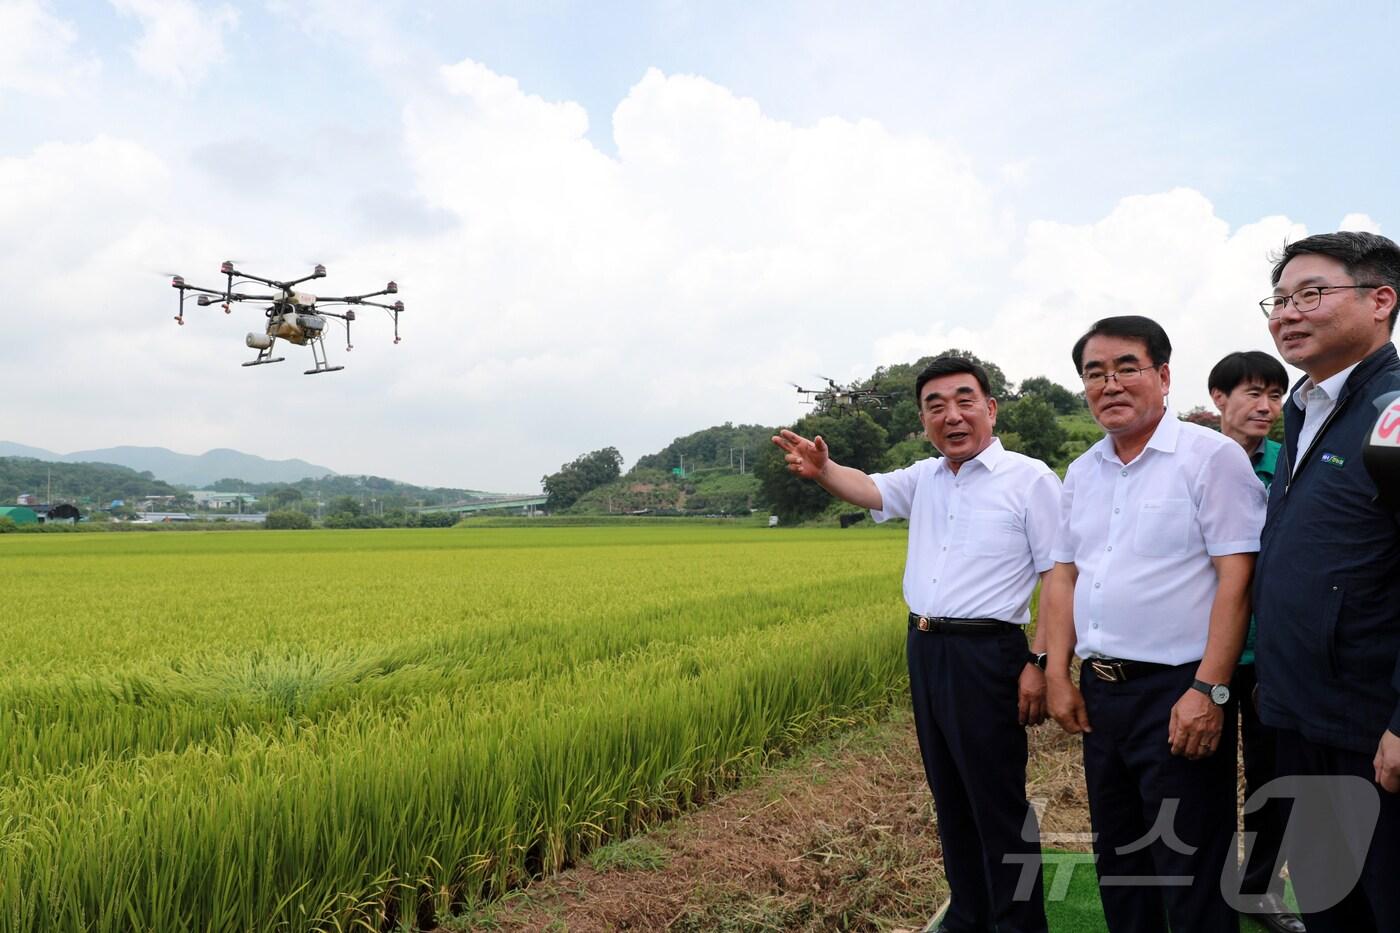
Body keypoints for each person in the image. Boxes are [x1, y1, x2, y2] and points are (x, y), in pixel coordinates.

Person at [771, 356, 1060, 933]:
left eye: (963, 401)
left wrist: (1040, 662)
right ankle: (969, 915)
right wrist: (825, 469)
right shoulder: (926, 477)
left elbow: (1058, 576)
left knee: (997, 801)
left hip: (990, 654)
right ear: (924, 418)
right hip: (926, 648)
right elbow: (869, 489)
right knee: (949, 794)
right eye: (935, 406)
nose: (951, 416)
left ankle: (1019, 924)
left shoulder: (1030, 479)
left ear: (990, 408)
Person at [1043, 316, 1265, 933]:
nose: (1109, 384)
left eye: (1126, 368)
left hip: (1177, 691)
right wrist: (1057, 673)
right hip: (1102, 692)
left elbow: (1237, 578)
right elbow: (1064, 576)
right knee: (1121, 857)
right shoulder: (1083, 470)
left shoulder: (1210, 457)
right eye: (1094, 373)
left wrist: (1209, 690)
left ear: (1163, 375)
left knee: (1190, 861)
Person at [1252, 231, 1400, 933]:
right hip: (1300, 714)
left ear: (1381, 301)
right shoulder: (1306, 410)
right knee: (1324, 898)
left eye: (1310, 294)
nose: (1287, 313)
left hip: (1371, 730)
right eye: (1278, 300)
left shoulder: (1392, 413)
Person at [1207, 351, 1304, 933]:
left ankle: (1260, 889)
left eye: (1274, 395)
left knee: (1274, 779)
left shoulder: (1292, 464)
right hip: (1207, 651)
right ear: (1219, 398)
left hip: (1273, 654)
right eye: (1252, 394)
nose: (1266, 407)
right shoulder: (1195, 463)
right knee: (1200, 777)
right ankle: (1202, 883)